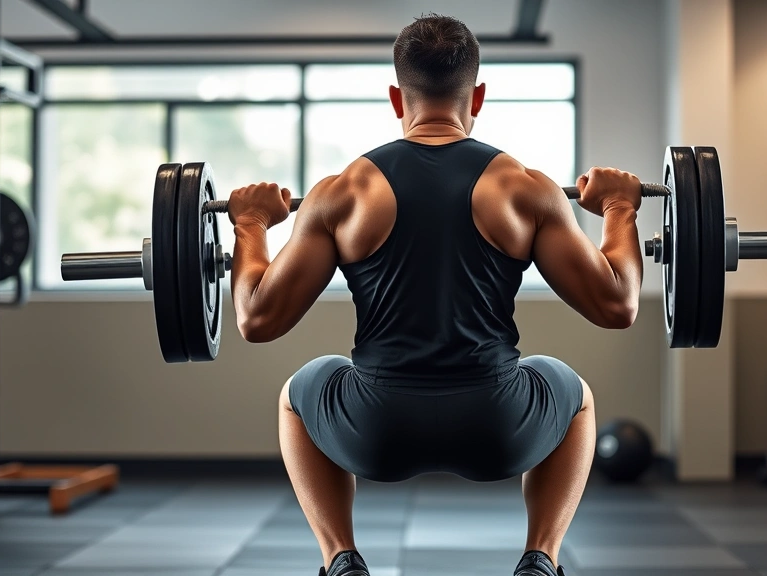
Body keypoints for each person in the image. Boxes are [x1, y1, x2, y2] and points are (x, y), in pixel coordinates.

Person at [225, 14, 643, 576]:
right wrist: (619, 210)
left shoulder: (343, 192)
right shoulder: (525, 189)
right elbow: (618, 304)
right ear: (479, 96)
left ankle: (340, 560)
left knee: (299, 392)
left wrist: (250, 223)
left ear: (397, 98)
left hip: (376, 430)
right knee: (575, 395)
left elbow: (256, 318)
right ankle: (540, 558)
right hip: (499, 426)